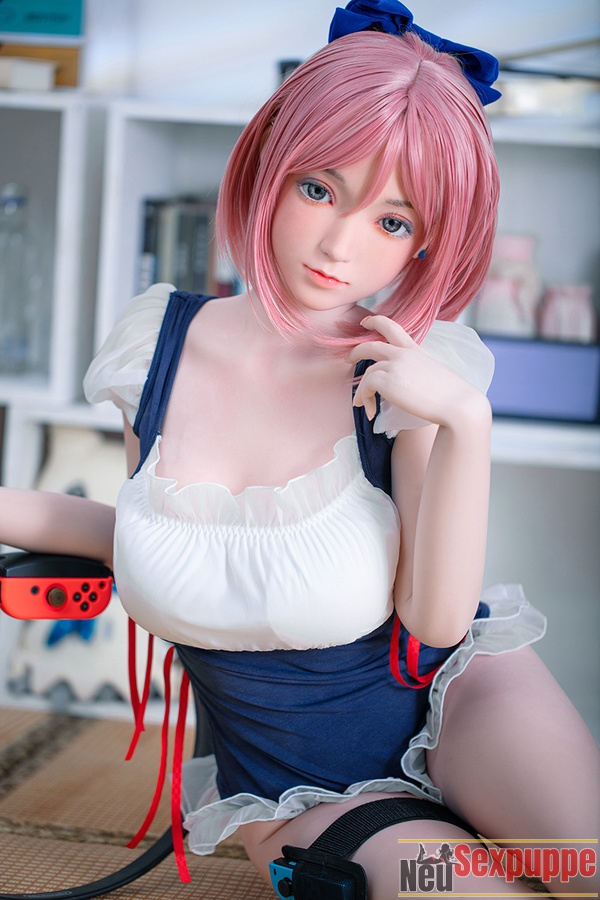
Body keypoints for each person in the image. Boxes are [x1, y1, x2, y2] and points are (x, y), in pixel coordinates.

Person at [1, 2, 598, 896]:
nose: (338, 245)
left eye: (393, 222)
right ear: (267, 169)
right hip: (298, 789)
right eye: (319, 189)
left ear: (427, 242)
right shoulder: (154, 347)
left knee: (585, 865)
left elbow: (434, 622)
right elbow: (146, 529)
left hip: (466, 703)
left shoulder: (410, 372)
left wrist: (464, 423)